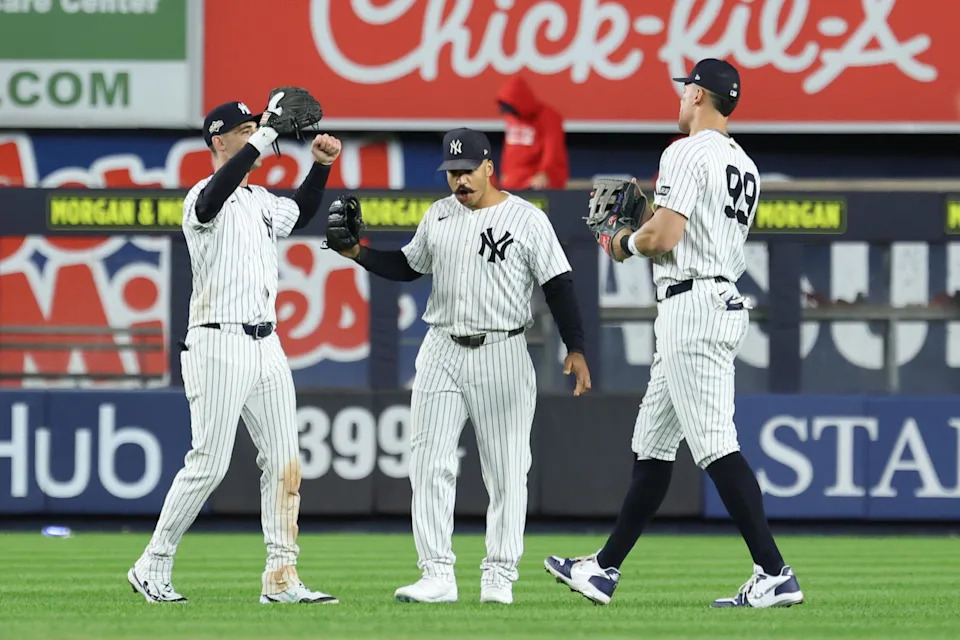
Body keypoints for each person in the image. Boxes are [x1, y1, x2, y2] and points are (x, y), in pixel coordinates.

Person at [544, 59, 804, 608]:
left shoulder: (684, 150)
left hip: (694, 303)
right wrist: (650, 221)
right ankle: (604, 570)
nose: (680, 95)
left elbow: (664, 236)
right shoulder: (745, 163)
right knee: (654, 445)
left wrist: (623, 243)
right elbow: (686, 226)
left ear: (699, 95)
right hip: (711, 296)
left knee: (715, 444)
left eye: (686, 87)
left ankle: (774, 571)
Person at [325, 128, 592, 605]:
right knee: (429, 463)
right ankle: (436, 574)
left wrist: (576, 347)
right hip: (441, 348)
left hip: (503, 350)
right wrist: (357, 253)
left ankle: (499, 575)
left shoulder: (527, 219)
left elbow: (560, 284)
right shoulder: (440, 214)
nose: (459, 180)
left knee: (508, 470)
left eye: (467, 169)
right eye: (452, 172)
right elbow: (409, 266)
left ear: (490, 166)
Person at [127, 95, 342, 605]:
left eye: (256, 127)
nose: (255, 135)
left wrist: (320, 167)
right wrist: (264, 139)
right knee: (209, 462)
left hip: (267, 344)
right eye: (243, 130)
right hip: (216, 341)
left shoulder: (261, 201)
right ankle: (151, 563)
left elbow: (302, 211)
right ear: (218, 140)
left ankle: (282, 577)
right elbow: (211, 200)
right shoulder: (202, 195)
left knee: (286, 462)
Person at [496, 76, 569, 190]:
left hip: (537, 182)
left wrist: (545, 173)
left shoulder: (548, 116)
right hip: (513, 183)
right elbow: (510, 150)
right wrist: (505, 173)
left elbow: (553, 150)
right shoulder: (512, 117)